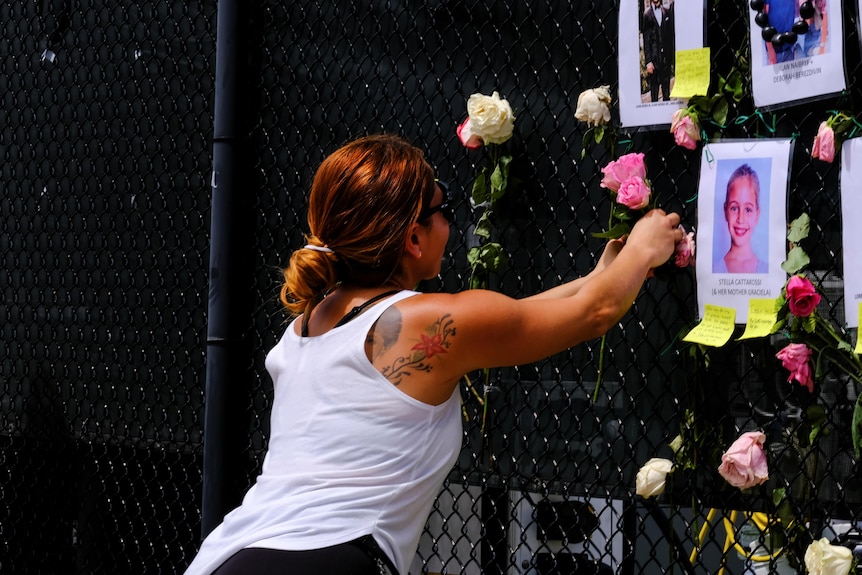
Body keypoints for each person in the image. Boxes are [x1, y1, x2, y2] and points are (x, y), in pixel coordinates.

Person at [182, 134, 683, 575]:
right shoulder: (417, 320)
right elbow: (596, 313)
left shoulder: (311, 323)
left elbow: (520, 316)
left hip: (230, 554)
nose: (450, 220)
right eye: (444, 208)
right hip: (326, 556)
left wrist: (602, 275)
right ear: (413, 238)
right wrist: (646, 245)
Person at [716, 163, 768, 274]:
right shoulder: (714, 270)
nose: (741, 219)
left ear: (757, 215)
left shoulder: (767, 271)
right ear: (725, 211)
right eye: (734, 208)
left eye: (748, 210)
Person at [641, 0, 674, 102]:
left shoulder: (666, 12)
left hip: (665, 57)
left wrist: (671, 56)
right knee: (654, 89)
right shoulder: (647, 15)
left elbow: (670, 36)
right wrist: (648, 62)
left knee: (666, 87)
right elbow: (646, 40)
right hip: (654, 58)